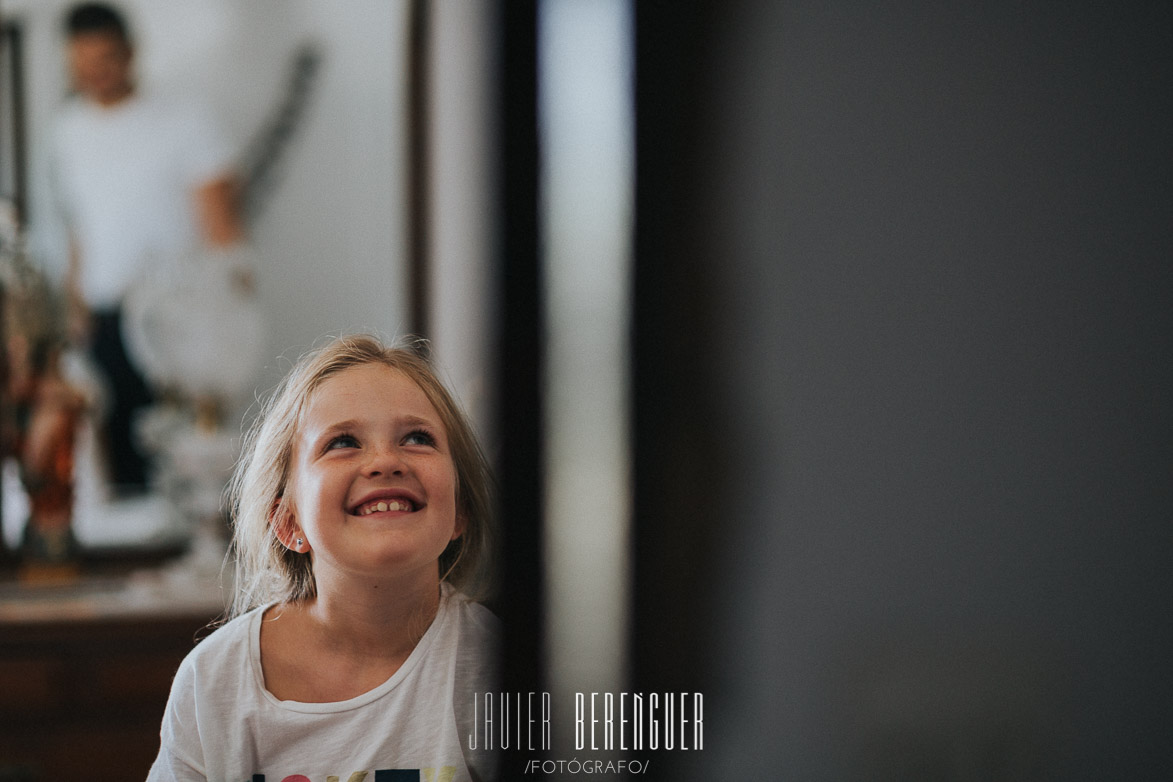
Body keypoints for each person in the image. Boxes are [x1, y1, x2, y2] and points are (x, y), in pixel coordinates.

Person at [147, 335, 499, 781]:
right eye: (343, 442)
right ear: (288, 523)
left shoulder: (493, 664)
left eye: (416, 438)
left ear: (459, 511)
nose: (386, 461)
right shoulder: (214, 681)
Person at [52, 2, 244, 491]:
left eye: (106, 59)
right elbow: (80, 223)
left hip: (174, 311)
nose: (95, 74)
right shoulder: (67, 129)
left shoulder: (184, 118)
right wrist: (74, 300)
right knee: (119, 448)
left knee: (183, 443)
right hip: (105, 313)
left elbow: (220, 222)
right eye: (82, 64)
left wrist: (229, 306)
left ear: (131, 52)